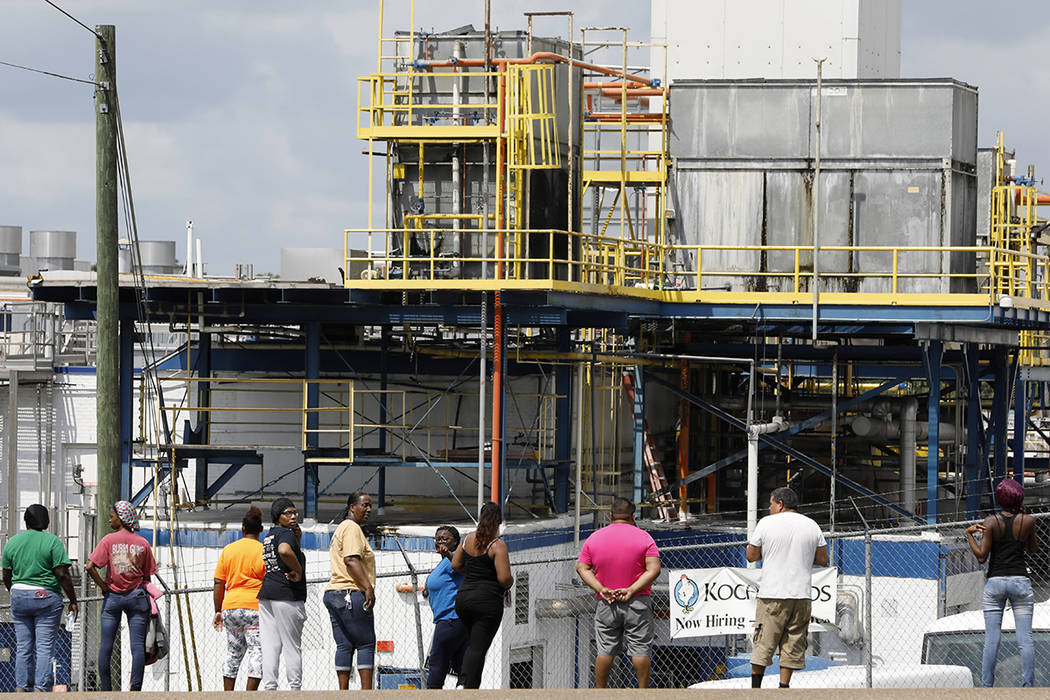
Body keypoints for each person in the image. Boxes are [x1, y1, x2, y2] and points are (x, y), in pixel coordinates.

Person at [745, 487, 828, 689]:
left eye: (771, 504)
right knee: (793, 643)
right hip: (801, 595)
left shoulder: (766, 523)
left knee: (764, 642)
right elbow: (822, 559)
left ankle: (756, 690)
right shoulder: (812, 525)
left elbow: (751, 556)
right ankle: (784, 688)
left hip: (772, 593)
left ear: (780, 504)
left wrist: (770, 553)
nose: (769, 508)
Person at [576, 497, 661, 689]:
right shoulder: (645, 538)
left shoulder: (594, 538)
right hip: (638, 601)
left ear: (610, 515)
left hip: (607, 601)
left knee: (605, 650)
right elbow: (654, 569)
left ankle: (600, 692)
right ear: (633, 516)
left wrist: (600, 588)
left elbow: (582, 568)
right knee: (640, 650)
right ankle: (643, 692)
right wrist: (631, 589)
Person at [965, 478, 1038, 687]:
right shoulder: (1028, 521)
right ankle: (1028, 686)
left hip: (995, 581)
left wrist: (969, 534)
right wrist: (1024, 520)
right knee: (1025, 639)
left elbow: (981, 557)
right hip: (1020, 581)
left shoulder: (990, 522)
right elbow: (1033, 549)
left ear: (999, 499)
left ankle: (988, 686)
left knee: (992, 639)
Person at [1, 504, 79, 692]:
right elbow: (62, 574)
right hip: (45, 597)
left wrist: (16, 592)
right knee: (44, 647)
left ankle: (22, 688)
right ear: (46, 521)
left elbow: (6, 574)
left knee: (23, 647)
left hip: (19, 595)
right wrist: (73, 600)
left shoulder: (12, 542)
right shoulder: (52, 541)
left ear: (26, 521)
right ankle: (40, 689)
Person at [86, 500, 158, 692]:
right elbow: (147, 577)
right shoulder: (143, 543)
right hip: (137, 597)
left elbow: (90, 566)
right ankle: (135, 690)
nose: (109, 520)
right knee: (137, 647)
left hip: (113, 598)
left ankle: (106, 690)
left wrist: (103, 586)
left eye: (112, 517)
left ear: (122, 518)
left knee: (106, 646)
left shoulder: (108, 540)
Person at [451, 502, 513, 689]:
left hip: (463, 599)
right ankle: (466, 685)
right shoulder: (497, 546)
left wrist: (471, 571)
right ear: (499, 521)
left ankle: (468, 684)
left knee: (473, 645)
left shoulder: (467, 539)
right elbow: (504, 579)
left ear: (480, 519)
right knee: (478, 648)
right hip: (487, 602)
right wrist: (510, 581)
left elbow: (456, 565)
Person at [323, 491, 377, 690]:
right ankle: (366, 693)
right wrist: (367, 587)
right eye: (364, 505)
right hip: (351, 592)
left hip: (333, 593)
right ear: (352, 507)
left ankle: (343, 693)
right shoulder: (352, 528)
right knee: (365, 643)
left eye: (370, 505)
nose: (368, 509)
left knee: (344, 645)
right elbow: (351, 559)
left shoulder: (341, 528)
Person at [213, 505, 267, 691]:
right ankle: (249, 695)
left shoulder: (229, 550)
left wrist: (218, 610)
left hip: (230, 607)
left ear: (243, 529)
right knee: (257, 651)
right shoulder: (263, 551)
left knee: (233, 652)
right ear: (261, 530)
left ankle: (228, 694)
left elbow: (219, 582)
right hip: (255, 607)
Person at [257, 497, 306, 690]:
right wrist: (298, 570)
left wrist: (298, 540)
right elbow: (284, 550)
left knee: (270, 646)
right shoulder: (286, 534)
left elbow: (282, 553)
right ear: (278, 516)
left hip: (267, 594)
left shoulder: (270, 535)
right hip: (286, 594)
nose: (293, 516)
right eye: (288, 513)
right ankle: (295, 689)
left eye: (295, 512)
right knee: (292, 645)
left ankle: (270, 688)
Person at [424, 525, 468, 689]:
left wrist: (449, 554)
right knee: (459, 664)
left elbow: (462, 566)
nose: (440, 542)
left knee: (437, 664)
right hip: (452, 620)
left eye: (445, 538)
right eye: (437, 539)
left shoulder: (454, 559)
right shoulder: (444, 562)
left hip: (450, 620)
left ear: (456, 542)